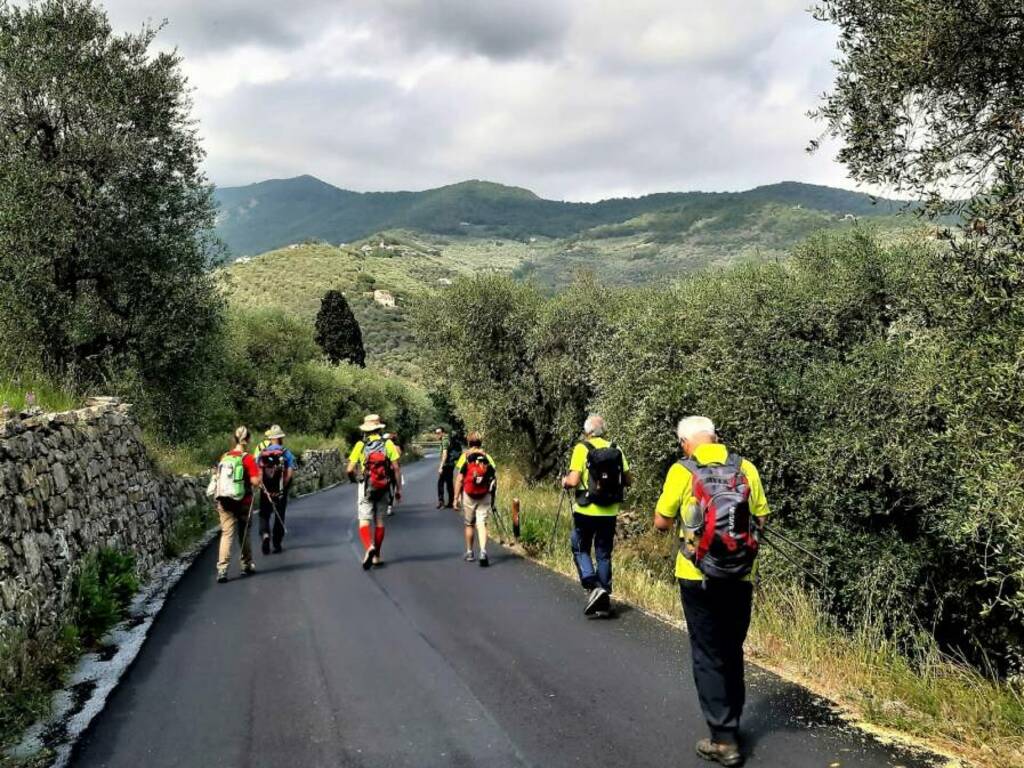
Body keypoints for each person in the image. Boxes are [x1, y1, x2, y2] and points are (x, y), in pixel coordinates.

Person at [653, 416, 769, 767]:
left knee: (707, 651)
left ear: (685, 443)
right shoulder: (745, 467)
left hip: (696, 574)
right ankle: (731, 724)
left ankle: (723, 740)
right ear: (716, 437)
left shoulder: (681, 470)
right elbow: (761, 519)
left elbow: (661, 522)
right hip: (741, 575)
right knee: (732, 648)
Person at [561, 414, 632, 615]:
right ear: (604, 431)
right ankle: (604, 599)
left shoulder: (582, 448)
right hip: (609, 511)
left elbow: (574, 481)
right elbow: (628, 480)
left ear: (587, 432)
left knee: (580, 547)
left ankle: (593, 585)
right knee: (603, 553)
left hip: (586, 509)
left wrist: (565, 481)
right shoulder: (616, 449)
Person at [347, 414, 402, 569]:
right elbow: (396, 468)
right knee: (379, 521)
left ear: (366, 430)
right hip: (384, 486)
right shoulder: (388, 444)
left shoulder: (360, 445)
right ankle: (377, 555)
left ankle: (368, 546)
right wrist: (398, 489)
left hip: (366, 486)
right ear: (379, 428)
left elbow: (349, 469)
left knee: (364, 519)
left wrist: (355, 479)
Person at [211, 426, 262, 583]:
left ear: (234, 439)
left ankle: (222, 570)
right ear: (248, 440)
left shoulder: (225, 456)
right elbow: (255, 481)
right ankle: (246, 565)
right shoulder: (247, 458)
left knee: (227, 535)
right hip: (243, 502)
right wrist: (258, 478)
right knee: (244, 533)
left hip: (224, 501)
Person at [453, 432, 497, 566]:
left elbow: (460, 479)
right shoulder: (487, 457)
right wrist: (493, 496)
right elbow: (494, 478)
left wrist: (455, 498)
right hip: (484, 494)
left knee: (469, 523)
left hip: (469, 494)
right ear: (481, 443)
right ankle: (483, 551)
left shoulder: (465, 457)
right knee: (482, 523)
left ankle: (470, 552)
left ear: (468, 443)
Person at [255, 425, 296, 554]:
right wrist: (282, 486)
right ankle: (277, 543)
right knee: (280, 515)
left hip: (266, 490)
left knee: (264, 514)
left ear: (270, 438)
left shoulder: (263, 453)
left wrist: (262, 486)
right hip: (280, 491)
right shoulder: (286, 453)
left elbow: (258, 471)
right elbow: (290, 472)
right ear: (280, 438)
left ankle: (265, 535)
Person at [436, 427, 457, 509]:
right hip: (451, 464)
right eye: (436, 433)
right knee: (449, 483)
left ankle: (441, 502)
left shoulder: (444, 440)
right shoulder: (448, 439)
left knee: (440, 483)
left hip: (446, 465)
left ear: (443, 432)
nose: (437, 435)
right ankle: (451, 502)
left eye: (439, 433)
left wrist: (441, 466)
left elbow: (445, 454)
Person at [383, 432, 402, 516]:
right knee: (392, 487)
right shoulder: (395, 447)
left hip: (381, 471)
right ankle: (389, 507)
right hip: (391, 470)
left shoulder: (379, 446)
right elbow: (397, 464)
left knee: (385, 489)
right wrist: (399, 488)